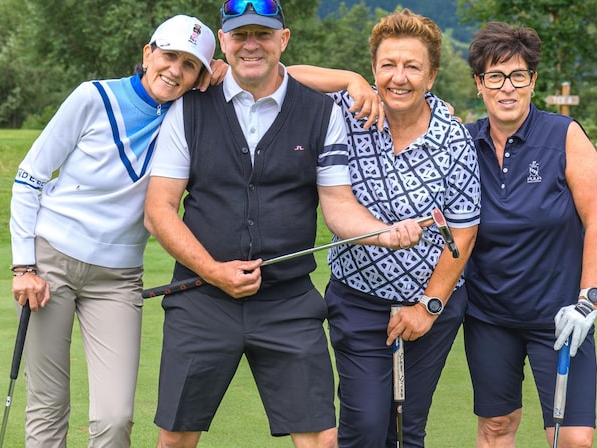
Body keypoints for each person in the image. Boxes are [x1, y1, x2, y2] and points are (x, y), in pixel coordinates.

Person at [142, 1, 426, 447]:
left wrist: (383, 233)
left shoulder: (320, 112)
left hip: (288, 302)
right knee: (176, 437)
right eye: (240, 35)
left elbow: (337, 204)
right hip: (200, 297)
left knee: (320, 439)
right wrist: (214, 271)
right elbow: (159, 210)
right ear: (224, 42)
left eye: (263, 34)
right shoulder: (190, 108)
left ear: (283, 40)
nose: (251, 45)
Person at [9, 15, 219, 447]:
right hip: (50, 264)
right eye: (169, 56)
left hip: (118, 278)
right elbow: (29, 176)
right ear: (148, 53)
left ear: (201, 76)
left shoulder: (190, 113)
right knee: (48, 406)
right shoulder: (93, 96)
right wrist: (23, 266)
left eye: (190, 65)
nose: (175, 70)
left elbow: (279, 76)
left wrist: (351, 81)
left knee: (116, 416)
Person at [289, 9, 481, 447]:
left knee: (406, 430)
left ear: (431, 76)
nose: (399, 77)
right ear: (375, 69)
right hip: (357, 300)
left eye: (412, 66)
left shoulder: (453, 138)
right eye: (388, 65)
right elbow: (281, 79)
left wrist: (427, 307)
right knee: (365, 428)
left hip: (431, 306)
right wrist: (348, 80)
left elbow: (463, 233)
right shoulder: (349, 109)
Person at [463, 21, 597, 448]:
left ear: (533, 81)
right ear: (479, 84)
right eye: (495, 76)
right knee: (495, 427)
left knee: (572, 438)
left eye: (517, 75)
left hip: (562, 319)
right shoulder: (463, 141)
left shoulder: (565, 136)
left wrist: (590, 300)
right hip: (489, 317)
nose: (506, 87)